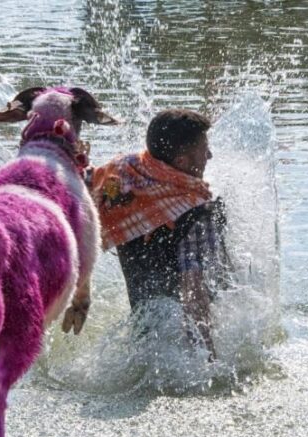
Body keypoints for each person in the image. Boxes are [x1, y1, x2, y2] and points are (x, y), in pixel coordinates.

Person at [90, 109, 231, 358]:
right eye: (203, 149)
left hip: (142, 342)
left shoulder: (123, 183)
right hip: (184, 349)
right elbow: (193, 291)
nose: (209, 155)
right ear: (181, 162)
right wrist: (208, 357)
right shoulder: (198, 212)